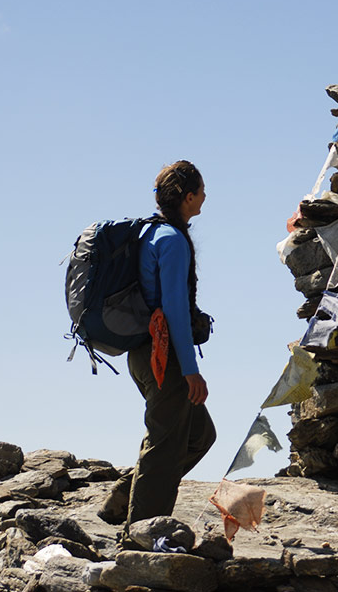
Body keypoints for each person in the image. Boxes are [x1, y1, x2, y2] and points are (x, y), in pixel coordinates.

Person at [98, 160, 216, 540]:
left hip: (142, 354)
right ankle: (141, 539)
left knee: (199, 435)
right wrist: (190, 368)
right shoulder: (172, 241)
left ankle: (124, 495)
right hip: (163, 356)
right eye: (200, 191)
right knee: (165, 447)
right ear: (187, 197)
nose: (204, 197)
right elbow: (175, 310)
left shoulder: (150, 233)